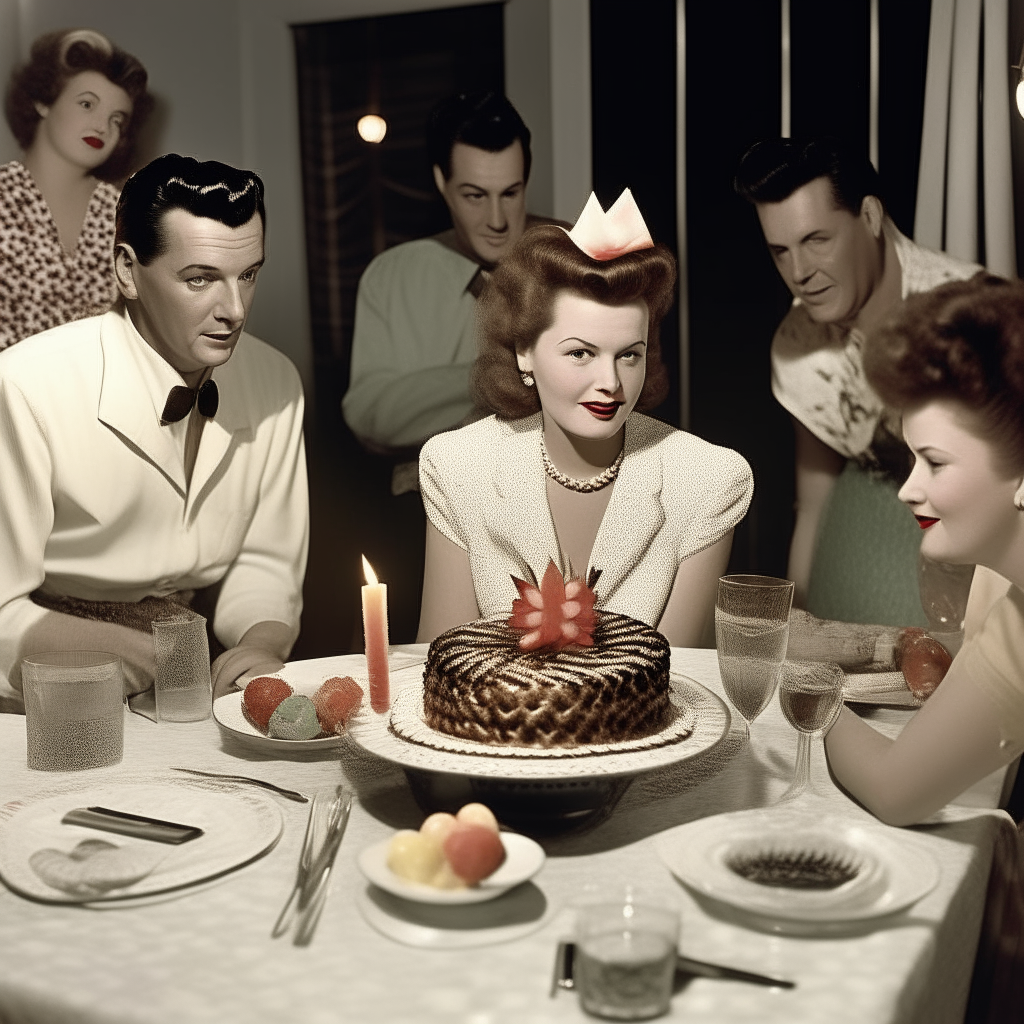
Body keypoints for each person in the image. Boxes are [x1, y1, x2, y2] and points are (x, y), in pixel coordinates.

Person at [0, 154, 308, 708]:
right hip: (44, 681)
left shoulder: (276, 381)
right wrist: (144, 652)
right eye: (200, 280)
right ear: (126, 270)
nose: (235, 310)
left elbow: (265, 562)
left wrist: (261, 645)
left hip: (189, 670)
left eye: (249, 275)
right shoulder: (25, 386)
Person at [417, 191, 753, 645]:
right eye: (580, 353)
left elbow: (677, 680)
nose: (610, 382)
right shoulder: (458, 466)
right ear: (524, 352)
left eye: (629, 355)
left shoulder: (708, 480)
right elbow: (441, 660)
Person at [734, 137, 981, 627]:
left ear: (870, 217)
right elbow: (814, 498)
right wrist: (795, 623)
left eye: (816, 240)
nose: (799, 273)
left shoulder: (972, 311)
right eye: (780, 251)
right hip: (852, 556)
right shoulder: (795, 343)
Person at [824, 274, 1024, 826]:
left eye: (934, 462)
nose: (909, 490)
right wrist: (812, 695)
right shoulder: (1013, 611)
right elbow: (896, 788)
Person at [1, 28, 152, 350]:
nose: (102, 125)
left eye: (117, 119)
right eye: (87, 104)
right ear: (43, 101)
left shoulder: (126, 212)